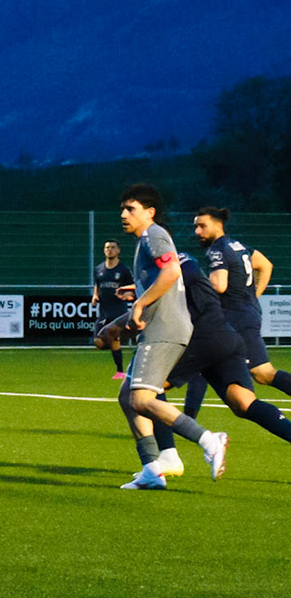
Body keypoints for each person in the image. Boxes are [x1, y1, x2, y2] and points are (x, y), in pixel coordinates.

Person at [130, 256, 291, 488]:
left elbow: (182, 275)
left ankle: (169, 455)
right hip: (224, 338)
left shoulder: (182, 263)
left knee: (146, 387)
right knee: (243, 401)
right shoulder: (160, 273)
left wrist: (146, 295)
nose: (197, 230)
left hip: (202, 339)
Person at [113, 184, 227, 490]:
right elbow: (163, 278)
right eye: (123, 209)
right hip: (158, 328)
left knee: (141, 398)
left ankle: (209, 440)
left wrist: (140, 302)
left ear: (149, 212)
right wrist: (138, 292)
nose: (123, 214)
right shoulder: (143, 241)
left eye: (130, 209)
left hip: (165, 329)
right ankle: (152, 467)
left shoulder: (154, 234)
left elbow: (173, 271)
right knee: (127, 397)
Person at [180, 207, 289, 420]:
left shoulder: (217, 250)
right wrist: (253, 296)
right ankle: (189, 421)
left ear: (218, 225)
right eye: (195, 226)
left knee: (263, 373)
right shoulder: (238, 246)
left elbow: (219, 285)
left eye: (202, 226)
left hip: (234, 318)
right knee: (204, 365)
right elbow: (266, 265)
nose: (197, 231)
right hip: (245, 314)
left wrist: (193, 286)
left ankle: (187, 422)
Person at [90, 238, 135, 381]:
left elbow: (133, 286)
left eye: (113, 247)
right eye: (107, 247)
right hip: (103, 312)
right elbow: (97, 284)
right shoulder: (99, 269)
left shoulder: (123, 270)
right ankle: (117, 349)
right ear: (104, 250)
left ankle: (120, 371)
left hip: (118, 311)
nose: (109, 249)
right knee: (98, 342)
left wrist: (129, 294)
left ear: (118, 251)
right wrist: (95, 295)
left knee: (114, 339)